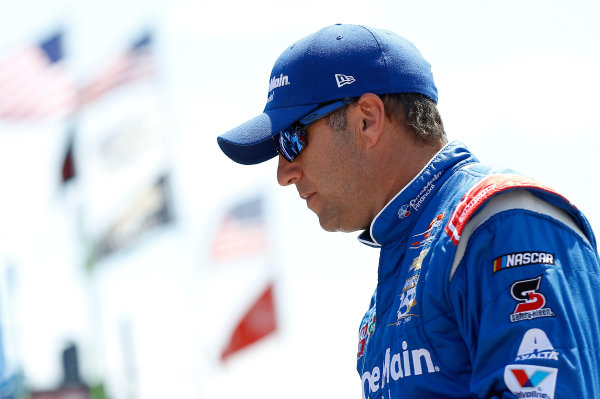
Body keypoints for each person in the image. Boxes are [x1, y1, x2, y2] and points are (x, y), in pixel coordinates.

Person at [217, 24, 600, 398]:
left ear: (368, 118)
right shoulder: (411, 253)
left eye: (292, 139)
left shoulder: (500, 222)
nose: (284, 173)